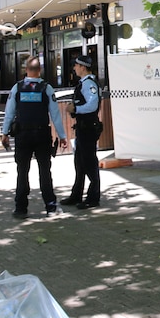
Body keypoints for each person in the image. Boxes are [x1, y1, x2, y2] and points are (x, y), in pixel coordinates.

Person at [1, 57, 68, 218]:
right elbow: (55, 114)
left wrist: (4, 133)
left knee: (22, 171)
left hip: (22, 136)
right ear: (39, 71)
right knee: (45, 171)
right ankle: (51, 207)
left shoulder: (17, 88)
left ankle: (20, 208)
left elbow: (9, 113)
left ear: (26, 70)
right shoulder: (47, 88)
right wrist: (62, 136)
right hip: (41, 135)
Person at [60, 55, 103, 209]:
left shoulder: (88, 84)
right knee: (80, 162)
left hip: (88, 128)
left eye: (76, 66)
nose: (74, 68)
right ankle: (76, 194)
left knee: (89, 163)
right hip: (83, 127)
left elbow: (92, 105)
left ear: (83, 67)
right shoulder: (84, 84)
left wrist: (76, 109)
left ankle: (93, 198)